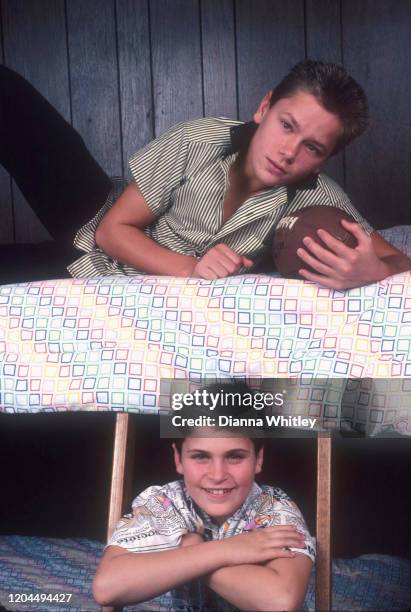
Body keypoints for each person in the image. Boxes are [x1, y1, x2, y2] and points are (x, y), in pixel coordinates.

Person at [1, 61, 409, 287]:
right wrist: (191, 268)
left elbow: (399, 262)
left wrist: (375, 271)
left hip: (93, 273)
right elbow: (111, 232)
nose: (288, 152)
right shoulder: (200, 138)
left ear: (323, 160)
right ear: (265, 108)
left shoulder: (320, 198)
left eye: (313, 147)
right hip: (94, 214)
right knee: (9, 97)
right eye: (287, 125)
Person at [92, 383, 315, 611]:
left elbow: (281, 602)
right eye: (200, 456)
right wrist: (225, 550)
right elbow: (107, 588)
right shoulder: (165, 502)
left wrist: (188, 549)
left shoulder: (276, 507)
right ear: (178, 459)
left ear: (258, 459)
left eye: (235, 457)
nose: (217, 475)